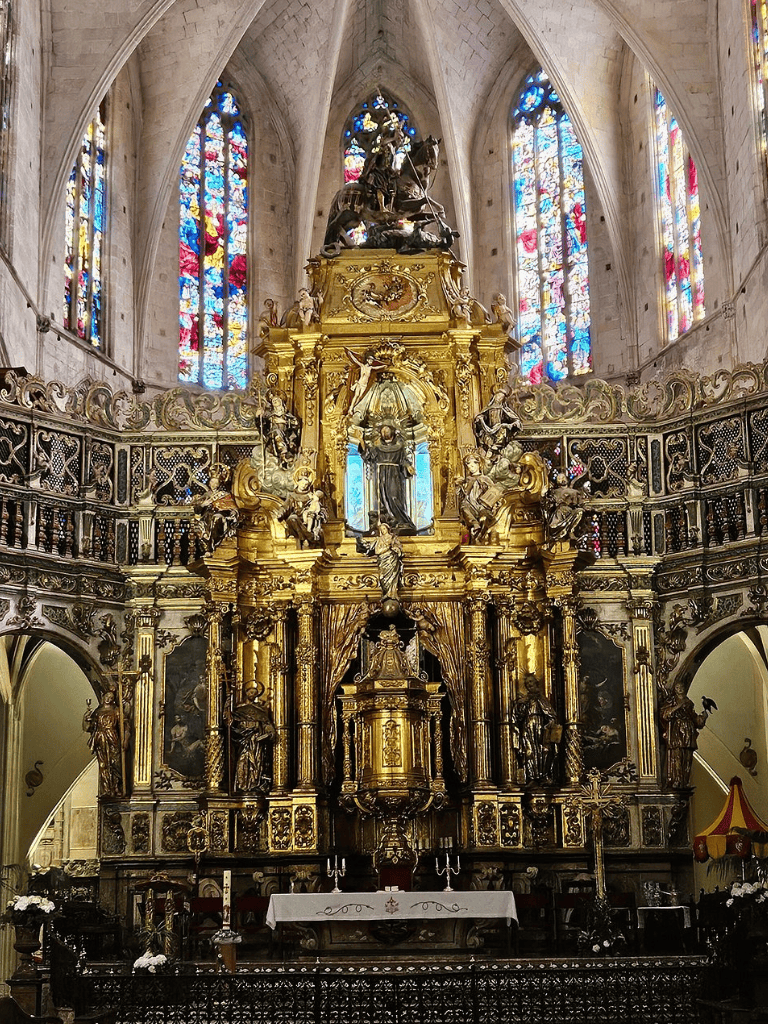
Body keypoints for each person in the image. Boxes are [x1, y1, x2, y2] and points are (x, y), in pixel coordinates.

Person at [359, 423, 416, 532]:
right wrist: (361, 440)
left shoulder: (399, 448)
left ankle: (400, 520)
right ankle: (387, 521)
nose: (385, 433)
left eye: (387, 431)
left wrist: (408, 466)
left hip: (394, 476)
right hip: (381, 475)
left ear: (393, 433)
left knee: (394, 497)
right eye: (383, 431)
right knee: (382, 498)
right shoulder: (378, 448)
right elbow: (368, 455)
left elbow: (403, 459)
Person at [659, 680, 710, 789]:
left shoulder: (689, 702)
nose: (680, 689)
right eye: (677, 687)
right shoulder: (671, 701)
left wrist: (703, 717)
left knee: (687, 758)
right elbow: (664, 714)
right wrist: (678, 706)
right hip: (676, 731)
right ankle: (676, 779)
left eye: (681, 687)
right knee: (677, 756)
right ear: (675, 690)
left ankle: (684, 780)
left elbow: (695, 719)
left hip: (688, 731)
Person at [511, 673, 559, 785]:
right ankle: (532, 777)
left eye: (531, 682)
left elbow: (551, 715)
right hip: (527, 728)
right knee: (529, 752)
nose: (529, 685)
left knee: (544, 751)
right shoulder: (525, 700)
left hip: (540, 727)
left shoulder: (541, 699)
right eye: (527, 683)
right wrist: (520, 704)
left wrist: (549, 725)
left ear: (536, 683)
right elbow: (519, 716)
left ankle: (544, 776)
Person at [232, 685, 276, 793]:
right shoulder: (239, 708)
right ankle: (242, 784)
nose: (252, 695)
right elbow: (232, 724)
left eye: (255, 693)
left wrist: (269, 732)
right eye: (250, 692)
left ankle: (254, 783)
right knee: (243, 760)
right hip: (244, 741)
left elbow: (266, 723)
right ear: (246, 693)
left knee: (256, 762)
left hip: (256, 741)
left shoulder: (260, 709)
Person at [83, 689, 124, 797]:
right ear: (103, 697)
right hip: (100, 737)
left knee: (115, 763)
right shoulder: (97, 711)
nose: (108, 699)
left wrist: (125, 738)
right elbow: (90, 727)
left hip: (112, 737)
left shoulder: (116, 710)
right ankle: (106, 789)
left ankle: (115, 787)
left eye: (111, 698)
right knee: (103, 764)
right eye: (107, 697)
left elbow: (123, 726)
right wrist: (87, 720)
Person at [359, 522, 403, 602]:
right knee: (382, 578)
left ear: (388, 529)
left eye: (384, 528)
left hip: (392, 560)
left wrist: (397, 549)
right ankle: (386, 592)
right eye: (381, 529)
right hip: (382, 560)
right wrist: (386, 548)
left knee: (393, 577)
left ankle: (392, 593)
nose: (383, 530)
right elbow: (377, 551)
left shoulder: (393, 537)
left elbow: (398, 547)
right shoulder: (379, 539)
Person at [472, 389, 522, 457]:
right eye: (498, 396)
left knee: (502, 430)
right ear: (494, 397)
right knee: (487, 440)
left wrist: (508, 425)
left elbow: (516, 420)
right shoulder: (488, 409)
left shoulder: (504, 409)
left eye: (501, 398)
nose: (499, 399)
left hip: (500, 431)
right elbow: (482, 416)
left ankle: (496, 448)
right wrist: (480, 419)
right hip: (489, 431)